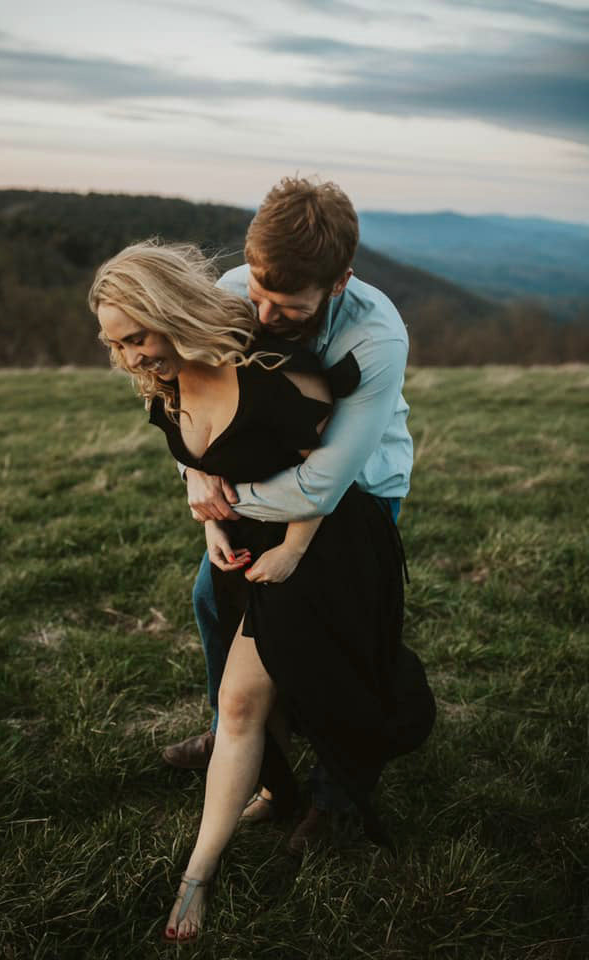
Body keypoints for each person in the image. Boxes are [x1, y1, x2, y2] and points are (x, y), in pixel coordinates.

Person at [89, 236, 435, 943]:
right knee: (213, 620)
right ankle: (269, 781)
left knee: (272, 689)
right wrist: (204, 513)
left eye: (134, 338)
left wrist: (295, 550)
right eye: (112, 343)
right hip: (246, 537)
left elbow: (327, 477)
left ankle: (249, 843)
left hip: (321, 537)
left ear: (166, 312)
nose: (125, 357)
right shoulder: (166, 369)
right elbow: (191, 452)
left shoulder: (295, 364)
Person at [164, 176, 418, 852]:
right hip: (264, 477)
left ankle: (337, 797)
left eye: (288, 305)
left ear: (339, 282)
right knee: (213, 601)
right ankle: (243, 741)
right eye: (259, 294)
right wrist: (196, 474)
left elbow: (325, 485)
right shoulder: (232, 293)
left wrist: (222, 498)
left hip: (359, 491)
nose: (266, 315)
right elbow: (193, 406)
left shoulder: (376, 336)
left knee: (332, 635)